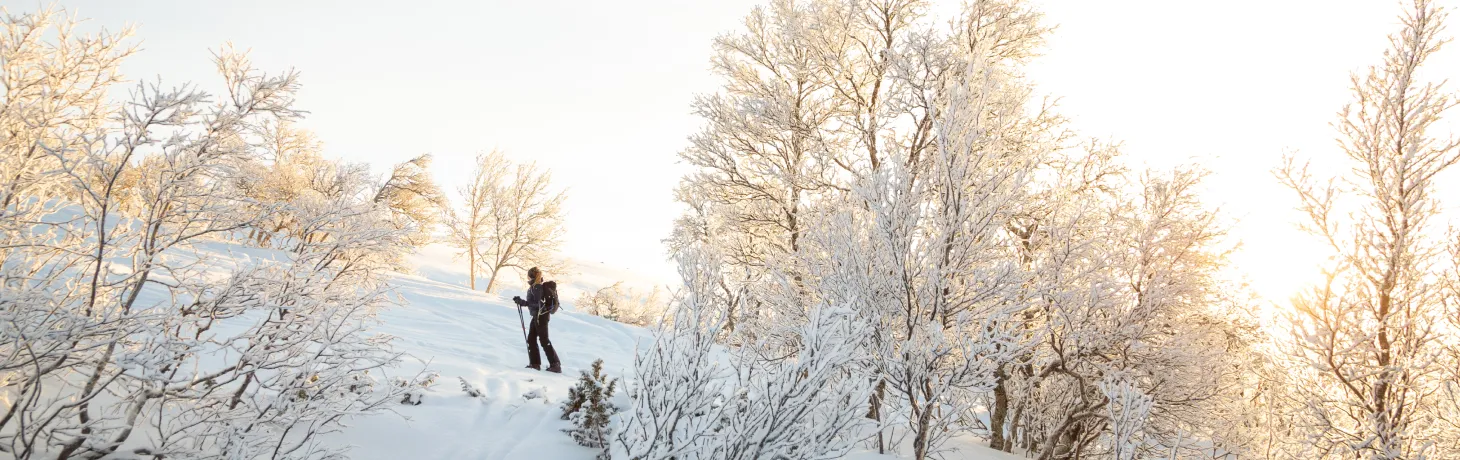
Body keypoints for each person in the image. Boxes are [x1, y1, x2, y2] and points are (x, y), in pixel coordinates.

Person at [512, 267, 560, 373]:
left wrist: (523, 302)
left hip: (541, 316)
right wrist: (521, 301)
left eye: (528, 275)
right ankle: (535, 364)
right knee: (531, 339)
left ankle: (555, 365)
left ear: (531, 276)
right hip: (537, 316)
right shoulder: (535, 286)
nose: (527, 277)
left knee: (544, 340)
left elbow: (539, 305)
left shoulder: (537, 287)